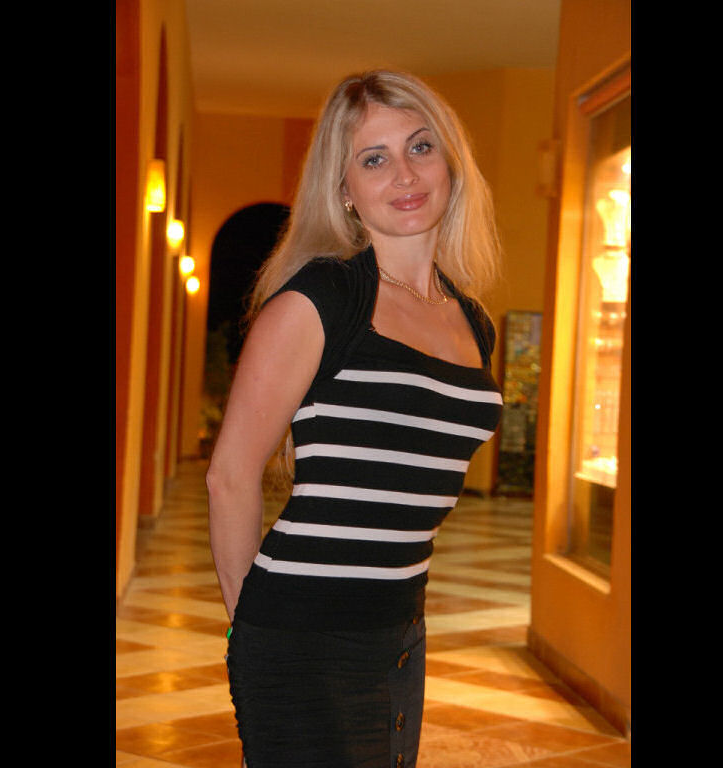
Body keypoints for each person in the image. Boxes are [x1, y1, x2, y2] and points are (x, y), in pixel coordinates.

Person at [207, 69, 504, 768]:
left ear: (451, 162)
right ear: (344, 188)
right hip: (299, 632)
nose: (404, 174)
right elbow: (230, 476)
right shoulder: (321, 301)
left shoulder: (472, 322)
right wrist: (249, 632)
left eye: (421, 147)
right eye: (374, 158)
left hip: (398, 631)